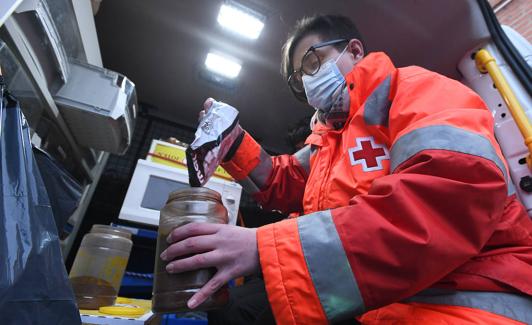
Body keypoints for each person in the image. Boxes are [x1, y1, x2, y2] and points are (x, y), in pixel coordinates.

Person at [160, 15, 532, 324]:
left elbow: (446, 197)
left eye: (311, 62)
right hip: (376, 296)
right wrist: (234, 141)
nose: (306, 82)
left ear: (354, 50)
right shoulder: (328, 139)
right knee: (233, 312)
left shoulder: (417, 90)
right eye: (297, 79)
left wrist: (264, 249)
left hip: (465, 295)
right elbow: (284, 181)